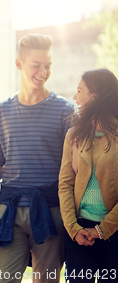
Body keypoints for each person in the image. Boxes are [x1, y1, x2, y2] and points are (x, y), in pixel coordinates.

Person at [0, 34, 75, 283]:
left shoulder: (65, 111)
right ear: (19, 63)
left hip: (51, 211)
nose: (43, 72)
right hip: (8, 210)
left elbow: (75, 166)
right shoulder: (2, 110)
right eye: (36, 65)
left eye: (48, 66)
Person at [59, 69, 118, 283]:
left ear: (95, 96)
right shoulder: (73, 135)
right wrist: (74, 229)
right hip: (79, 232)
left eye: (79, 91)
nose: (75, 98)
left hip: (114, 232)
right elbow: (65, 185)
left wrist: (102, 230)